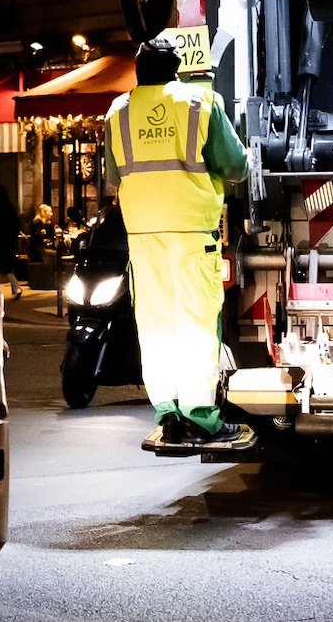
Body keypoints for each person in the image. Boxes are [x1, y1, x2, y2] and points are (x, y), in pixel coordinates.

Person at [102, 36, 254, 452]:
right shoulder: (199, 103)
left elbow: (114, 177)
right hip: (190, 230)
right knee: (196, 324)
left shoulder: (116, 111)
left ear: (137, 70)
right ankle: (201, 419)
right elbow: (237, 166)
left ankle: (168, 416)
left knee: (156, 326)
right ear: (178, 67)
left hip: (142, 234)